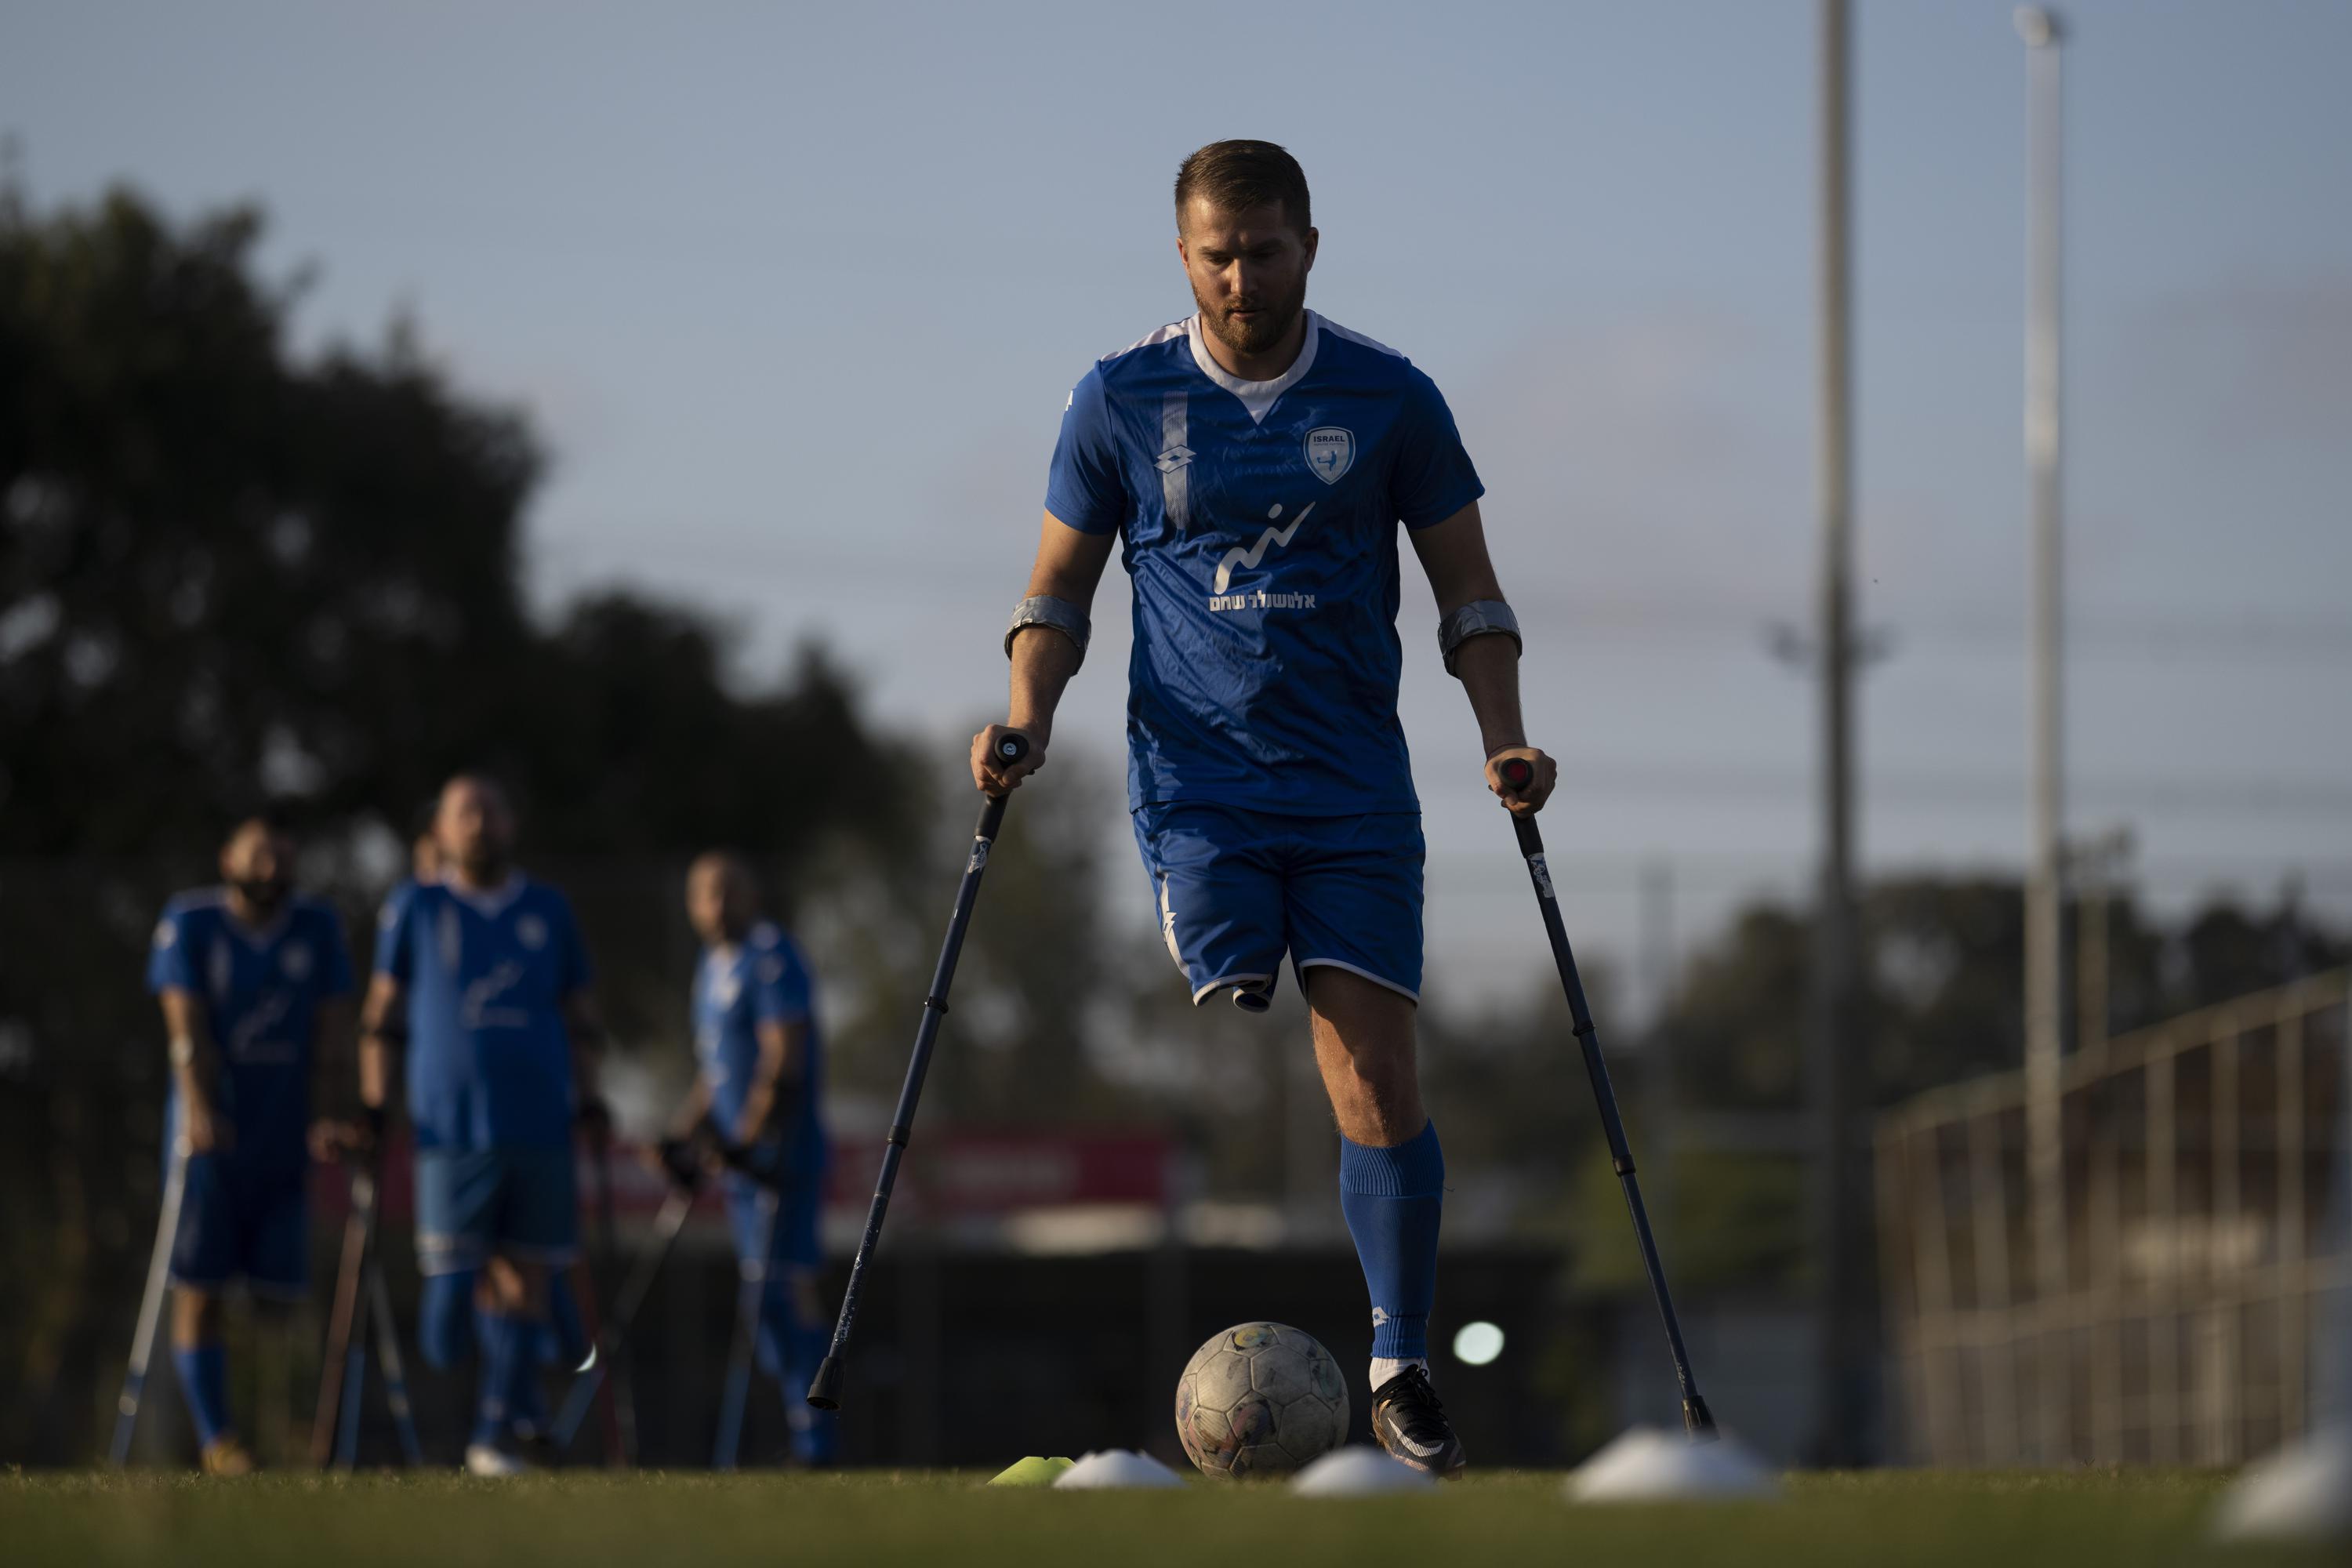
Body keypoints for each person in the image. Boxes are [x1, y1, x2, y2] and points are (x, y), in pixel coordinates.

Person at [971, 140, 1556, 1479]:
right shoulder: (1119, 398)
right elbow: (1056, 588)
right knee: (1233, 968)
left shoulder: (1392, 397)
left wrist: (1508, 740)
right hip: (1203, 784)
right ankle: (1238, 954)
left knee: (1380, 1077)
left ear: (1310, 245)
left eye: (1265, 250)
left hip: (1355, 787)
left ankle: (1401, 1358)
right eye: (1216, 253)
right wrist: (1027, 714)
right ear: (1183, 256)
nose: (1242, 276)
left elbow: (1471, 588)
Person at [359, 774, 608, 1475]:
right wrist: (374, 1105)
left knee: (526, 1276)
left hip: (538, 1127)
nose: (480, 823)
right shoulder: (415, 905)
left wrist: (591, 1097)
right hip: (449, 1134)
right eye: (464, 813)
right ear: (438, 831)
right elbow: (382, 1015)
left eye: (491, 810)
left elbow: (580, 1013)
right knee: (446, 1317)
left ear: (512, 825)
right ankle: (525, 1405)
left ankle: (495, 1435)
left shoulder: (548, 909)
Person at [146, 814, 359, 1474]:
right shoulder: (191, 921)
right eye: (258, 855)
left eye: (282, 857)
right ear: (228, 858)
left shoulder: (317, 927)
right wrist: (201, 1109)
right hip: (211, 1144)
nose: (271, 869)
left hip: (283, 1143)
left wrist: (331, 1114)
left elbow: (330, 1037)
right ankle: (219, 1441)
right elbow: (185, 1028)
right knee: (200, 1290)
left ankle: (292, 1435)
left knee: (280, 1300)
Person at [663, 851, 837, 1465]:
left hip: (781, 1155)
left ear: (751, 893)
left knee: (782, 1291)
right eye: (706, 893)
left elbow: (780, 1055)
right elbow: (718, 1071)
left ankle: (817, 1438)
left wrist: (746, 1137)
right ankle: (804, 1427)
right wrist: (684, 1135)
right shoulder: (710, 968)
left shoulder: (771, 954)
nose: (718, 904)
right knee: (763, 1302)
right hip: (741, 1164)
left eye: (729, 890)